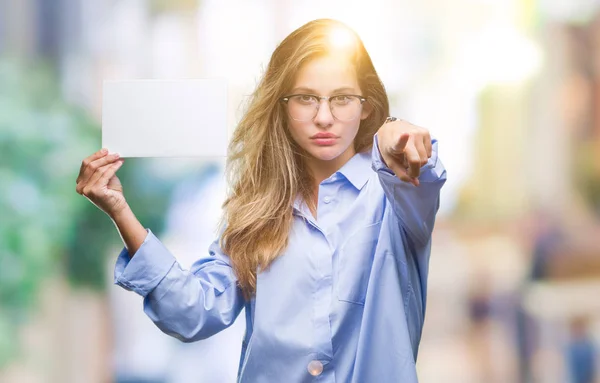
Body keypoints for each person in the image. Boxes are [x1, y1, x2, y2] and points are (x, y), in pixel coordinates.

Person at [75, 18, 447, 382]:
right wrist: (119, 210)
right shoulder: (256, 210)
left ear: (366, 106)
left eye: (342, 99)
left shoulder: (396, 191)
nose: (323, 117)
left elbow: (422, 174)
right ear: (283, 107)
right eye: (305, 98)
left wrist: (399, 135)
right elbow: (191, 313)